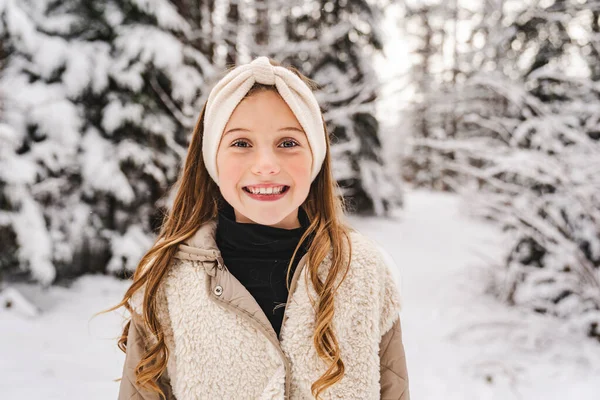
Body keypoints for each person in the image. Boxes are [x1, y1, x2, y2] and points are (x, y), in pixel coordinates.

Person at [107, 56, 409, 399]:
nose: (266, 165)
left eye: (288, 143)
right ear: (212, 159)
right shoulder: (167, 280)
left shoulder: (362, 272)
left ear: (316, 157)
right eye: (241, 144)